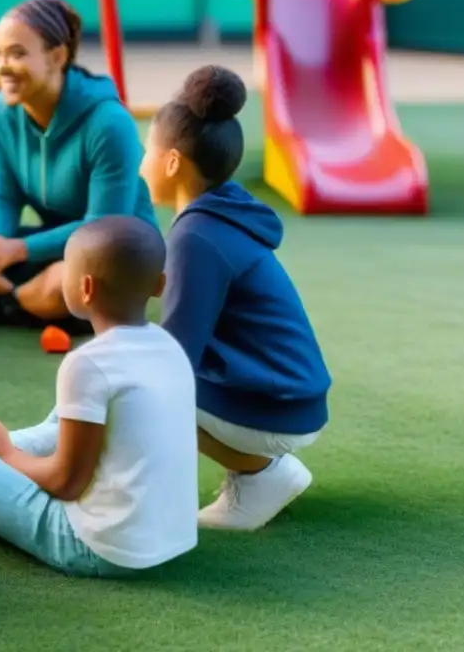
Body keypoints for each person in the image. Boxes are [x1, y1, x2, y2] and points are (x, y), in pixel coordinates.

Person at [0, 216, 198, 578]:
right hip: (168, 539)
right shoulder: (167, 345)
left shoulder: (86, 364)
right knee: (63, 417)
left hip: (100, 547)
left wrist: (5, 451)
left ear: (84, 289)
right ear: (159, 285)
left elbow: (66, 484)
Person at [140, 64, 332, 531]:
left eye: (147, 151)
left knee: (132, 383)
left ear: (171, 163)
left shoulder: (196, 236)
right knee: (136, 369)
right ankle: (262, 469)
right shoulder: (222, 211)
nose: (141, 163)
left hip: (278, 405)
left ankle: (260, 474)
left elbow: (174, 358)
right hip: (292, 395)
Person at [0, 0, 159, 333]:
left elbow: (102, 226)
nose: (2, 65)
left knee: (72, 278)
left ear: (57, 57)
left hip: (113, 253)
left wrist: (18, 249)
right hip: (49, 247)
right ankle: (26, 301)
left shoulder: (109, 123)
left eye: (18, 54)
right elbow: (1, 198)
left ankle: (4, 303)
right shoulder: (2, 112)